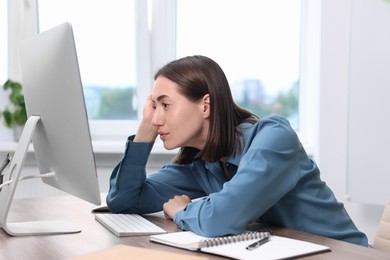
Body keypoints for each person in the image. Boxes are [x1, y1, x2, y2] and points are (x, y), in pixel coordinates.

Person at [106, 55, 368, 246]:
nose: (156, 119)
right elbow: (124, 201)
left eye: (166, 105)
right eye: (155, 107)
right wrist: (143, 134)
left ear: (205, 105)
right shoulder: (202, 164)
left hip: (344, 253)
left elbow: (222, 217)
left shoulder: (274, 139)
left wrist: (181, 211)